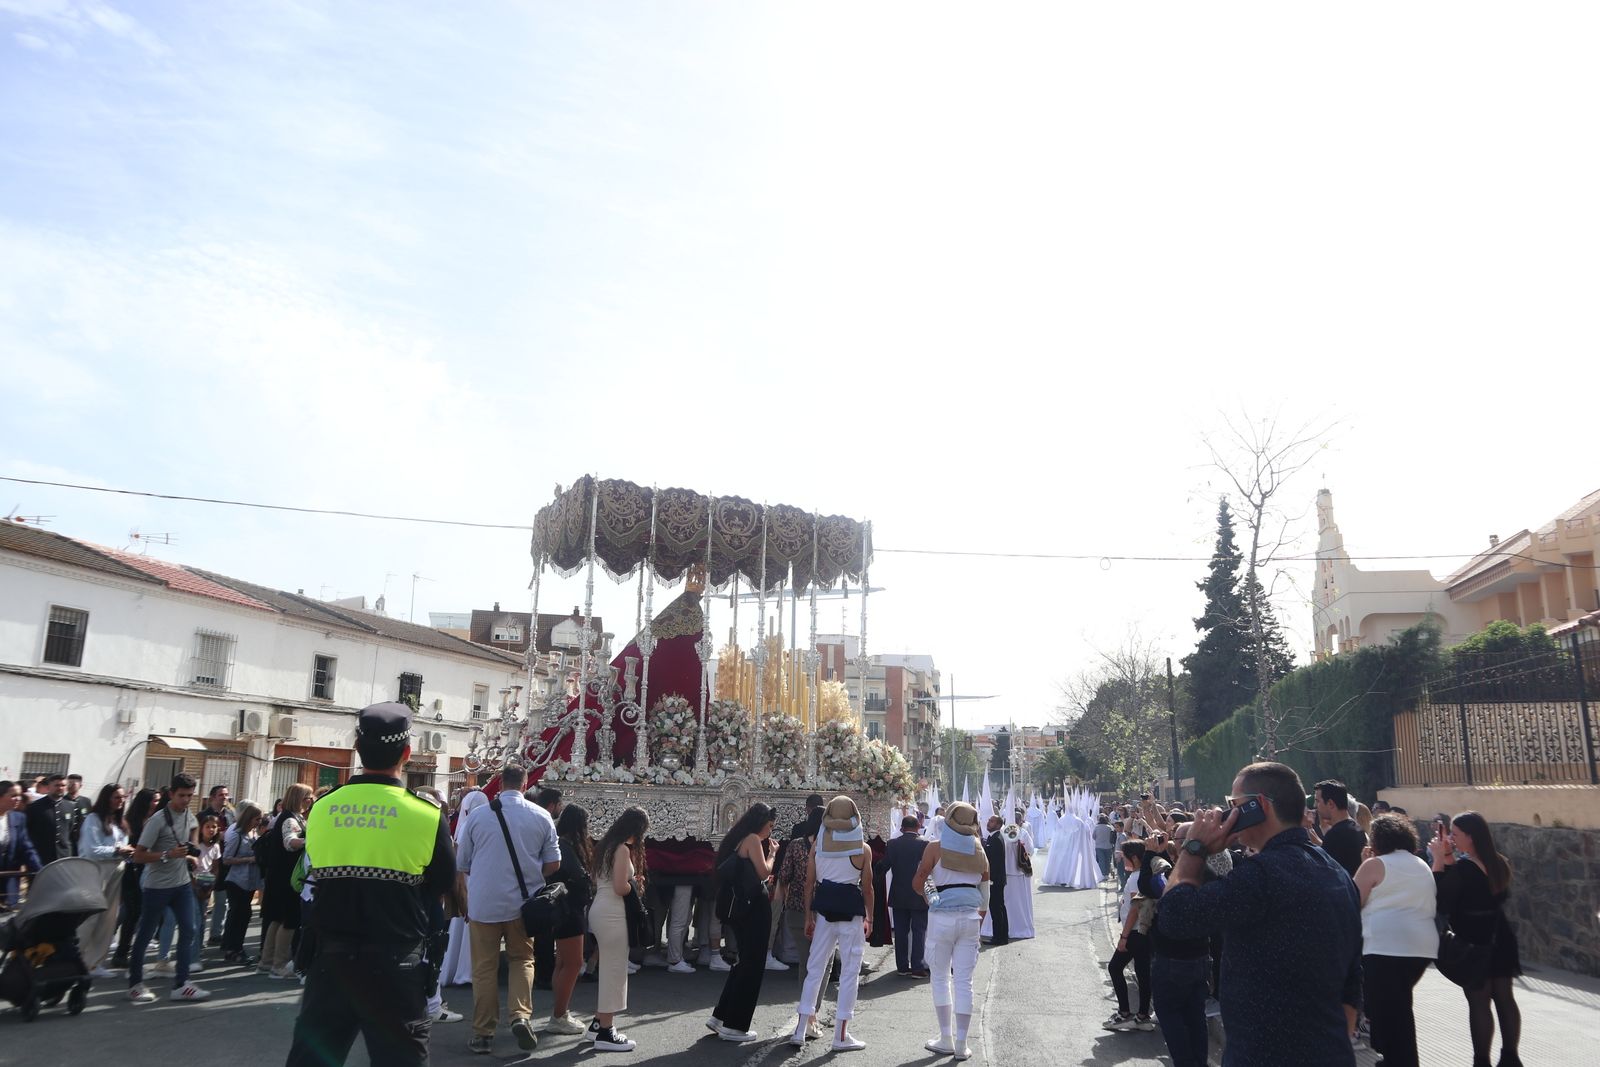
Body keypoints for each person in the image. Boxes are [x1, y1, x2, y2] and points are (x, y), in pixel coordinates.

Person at [283, 701, 456, 1067]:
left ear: (358, 748)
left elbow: (313, 869)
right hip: (397, 963)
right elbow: (441, 883)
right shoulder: (427, 815)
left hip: (330, 960)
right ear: (407, 753)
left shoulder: (323, 808)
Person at [1158, 761, 1362, 1067]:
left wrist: (1194, 849)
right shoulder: (1336, 872)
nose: (1230, 815)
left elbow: (1174, 915)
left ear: (1259, 806)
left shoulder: (1262, 875)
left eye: (1235, 805)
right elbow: (1352, 980)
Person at [455, 764, 560, 1055]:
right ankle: (520, 1015)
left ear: (500, 784)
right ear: (525, 785)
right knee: (523, 959)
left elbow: (463, 863)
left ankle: (483, 1032)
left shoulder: (477, 816)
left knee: (484, 968)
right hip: (522, 905)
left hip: (484, 902)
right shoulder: (541, 816)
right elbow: (553, 865)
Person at [1430, 811, 1523, 1067]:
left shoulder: (1464, 868)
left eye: (1455, 834)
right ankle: (1511, 1057)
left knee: (1479, 1001)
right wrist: (1449, 855)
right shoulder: (1499, 863)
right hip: (1499, 935)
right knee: (1505, 998)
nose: (1451, 837)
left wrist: (1439, 859)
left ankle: (1481, 1061)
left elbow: (1440, 899)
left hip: (1473, 938)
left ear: (1470, 837)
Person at [1353, 814, 1436, 1067]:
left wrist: (1364, 864)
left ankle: (1398, 1059)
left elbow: (1351, 901)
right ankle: (1396, 1058)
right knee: (1399, 1006)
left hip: (1383, 946)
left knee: (1387, 1009)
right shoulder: (1420, 864)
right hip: (1421, 947)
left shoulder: (1374, 865)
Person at [790, 795, 872, 1051]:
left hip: (823, 911)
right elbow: (868, 888)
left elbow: (808, 884)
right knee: (849, 973)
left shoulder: (818, 845)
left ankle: (801, 1028)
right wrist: (870, 916)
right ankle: (841, 1035)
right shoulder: (862, 848)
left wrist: (807, 917)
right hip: (851, 912)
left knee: (814, 970)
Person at [910, 800, 990, 1061]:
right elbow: (985, 889)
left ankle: (945, 1037)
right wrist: (979, 917)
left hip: (941, 917)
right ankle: (962, 1043)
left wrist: (931, 896)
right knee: (964, 981)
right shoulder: (979, 850)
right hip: (969, 918)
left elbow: (919, 882)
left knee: (940, 978)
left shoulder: (935, 847)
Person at [126, 773, 210, 1003]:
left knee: (189, 929)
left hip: (181, 883)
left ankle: (181, 984)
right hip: (157, 886)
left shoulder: (189, 816)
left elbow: (192, 833)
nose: (185, 800)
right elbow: (138, 856)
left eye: (190, 796)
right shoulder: (158, 820)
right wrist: (167, 854)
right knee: (144, 934)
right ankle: (135, 984)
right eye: (181, 795)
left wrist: (190, 853)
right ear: (171, 794)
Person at [709, 802, 779, 1043]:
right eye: (769, 826)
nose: (770, 831)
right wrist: (772, 855)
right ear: (760, 823)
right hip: (752, 910)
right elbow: (763, 872)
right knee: (752, 965)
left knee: (743, 963)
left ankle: (721, 1016)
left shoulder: (739, 839)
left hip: (743, 908)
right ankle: (735, 1025)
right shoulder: (751, 840)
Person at [1150, 821, 1218, 1067]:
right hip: (1198, 957)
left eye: (1178, 841)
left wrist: (1151, 855)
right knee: (1194, 1016)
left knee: (1171, 1014)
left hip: (1175, 960)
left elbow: (1155, 893)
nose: (1172, 845)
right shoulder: (1206, 872)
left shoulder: (1184, 874)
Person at [587, 805, 648, 1052]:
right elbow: (621, 888)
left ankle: (598, 1023)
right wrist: (635, 883)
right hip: (613, 913)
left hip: (601, 910)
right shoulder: (622, 849)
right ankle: (605, 1031)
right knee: (614, 971)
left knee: (610, 969)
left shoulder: (605, 847)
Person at [544, 803, 595, 1036]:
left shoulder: (559, 843)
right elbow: (579, 877)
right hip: (570, 909)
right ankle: (559, 1014)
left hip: (563, 908)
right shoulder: (566, 846)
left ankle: (560, 1010)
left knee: (563, 963)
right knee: (573, 964)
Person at [77, 782, 132, 975]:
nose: (121, 801)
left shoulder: (120, 822)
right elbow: (92, 849)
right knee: (90, 918)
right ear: (106, 798)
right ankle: (77, 960)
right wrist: (118, 850)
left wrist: (125, 852)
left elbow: (123, 846)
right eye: (117, 797)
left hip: (116, 871)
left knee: (108, 919)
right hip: (96, 871)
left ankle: (94, 962)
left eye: (123, 797)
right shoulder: (93, 819)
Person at [1103, 839, 1157, 1032]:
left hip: (1134, 932)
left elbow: (1135, 909)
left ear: (1134, 858)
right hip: (1143, 932)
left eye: (1124, 856)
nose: (1121, 859)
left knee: (1114, 968)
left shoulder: (1136, 878)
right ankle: (1142, 1016)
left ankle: (1124, 1013)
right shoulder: (1142, 875)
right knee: (1143, 974)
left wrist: (1124, 937)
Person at [260, 783, 313, 978]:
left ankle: (266, 961)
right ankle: (279, 964)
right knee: (289, 920)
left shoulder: (291, 817)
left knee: (276, 918)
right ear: (299, 798)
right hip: (287, 879)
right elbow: (290, 842)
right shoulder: (290, 820)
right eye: (308, 798)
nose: (310, 801)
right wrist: (311, 841)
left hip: (278, 877)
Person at [439, 788, 488, 988]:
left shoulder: (464, 825)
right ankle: (471, 969)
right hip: (475, 881)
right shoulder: (483, 823)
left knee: (463, 929)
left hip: (467, 880)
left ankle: (462, 968)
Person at [109, 788, 156, 969]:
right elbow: (126, 845)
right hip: (130, 870)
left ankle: (127, 949)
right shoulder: (131, 822)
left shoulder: (156, 820)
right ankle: (121, 952)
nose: (156, 804)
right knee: (131, 910)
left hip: (148, 869)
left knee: (136, 912)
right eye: (153, 800)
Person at [884, 814, 929, 977]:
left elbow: (883, 866)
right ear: (918, 827)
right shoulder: (924, 844)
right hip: (918, 893)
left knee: (901, 932)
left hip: (898, 893)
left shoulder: (892, 844)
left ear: (902, 828)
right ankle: (917, 966)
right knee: (919, 931)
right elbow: (928, 870)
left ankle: (902, 966)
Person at [527, 785, 563, 991]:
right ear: (552, 805)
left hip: (528, 879)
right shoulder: (546, 821)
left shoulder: (531, 818)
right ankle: (543, 974)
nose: (561, 809)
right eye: (560, 805)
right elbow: (552, 861)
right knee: (544, 933)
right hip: (541, 882)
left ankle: (540, 970)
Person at [218, 801, 263, 964]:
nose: (258, 823)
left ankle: (237, 947)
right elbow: (227, 859)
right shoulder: (237, 834)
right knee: (237, 913)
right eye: (256, 819)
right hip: (237, 880)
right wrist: (249, 859)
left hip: (250, 881)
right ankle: (232, 948)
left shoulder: (253, 834)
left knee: (244, 915)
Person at [1311, 779, 1367, 878]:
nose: (1315, 806)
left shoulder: (1336, 834)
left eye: (1318, 801)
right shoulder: (1357, 829)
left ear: (1330, 804)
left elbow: (1326, 871)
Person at [0, 779, 42, 907]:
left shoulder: (18, 818)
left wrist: (40, 870)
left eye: (19, 795)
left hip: (8, 881)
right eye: (13, 796)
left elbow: (26, 848)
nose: (18, 799)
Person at [203, 784, 234, 945]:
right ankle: (198, 936)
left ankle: (215, 933)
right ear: (212, 797)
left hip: (225, 861)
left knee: (222, 900)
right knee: (203, 900)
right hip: (207, 862)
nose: (225, 797)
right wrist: (217, 836)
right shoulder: (203, 816)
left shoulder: (231, 814)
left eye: (226, 795)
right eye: (221, 795)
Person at [25, 773, 72, 866]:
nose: (60, 788)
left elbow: (69, 830)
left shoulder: (70, 806)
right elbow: (27, 832)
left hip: (63, 857)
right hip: (40, 856)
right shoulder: (35, 807)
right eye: (57, 785)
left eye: (63, 785)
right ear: (49, 787)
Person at [1093, 814, 1115, 881]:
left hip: (1099, 846)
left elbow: (1093, 836)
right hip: (1108, 846)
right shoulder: (1109, 827)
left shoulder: (1096, 827)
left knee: (1101, 860)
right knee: (1107, 860)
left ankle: (1103, 874)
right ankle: (1107, 874)